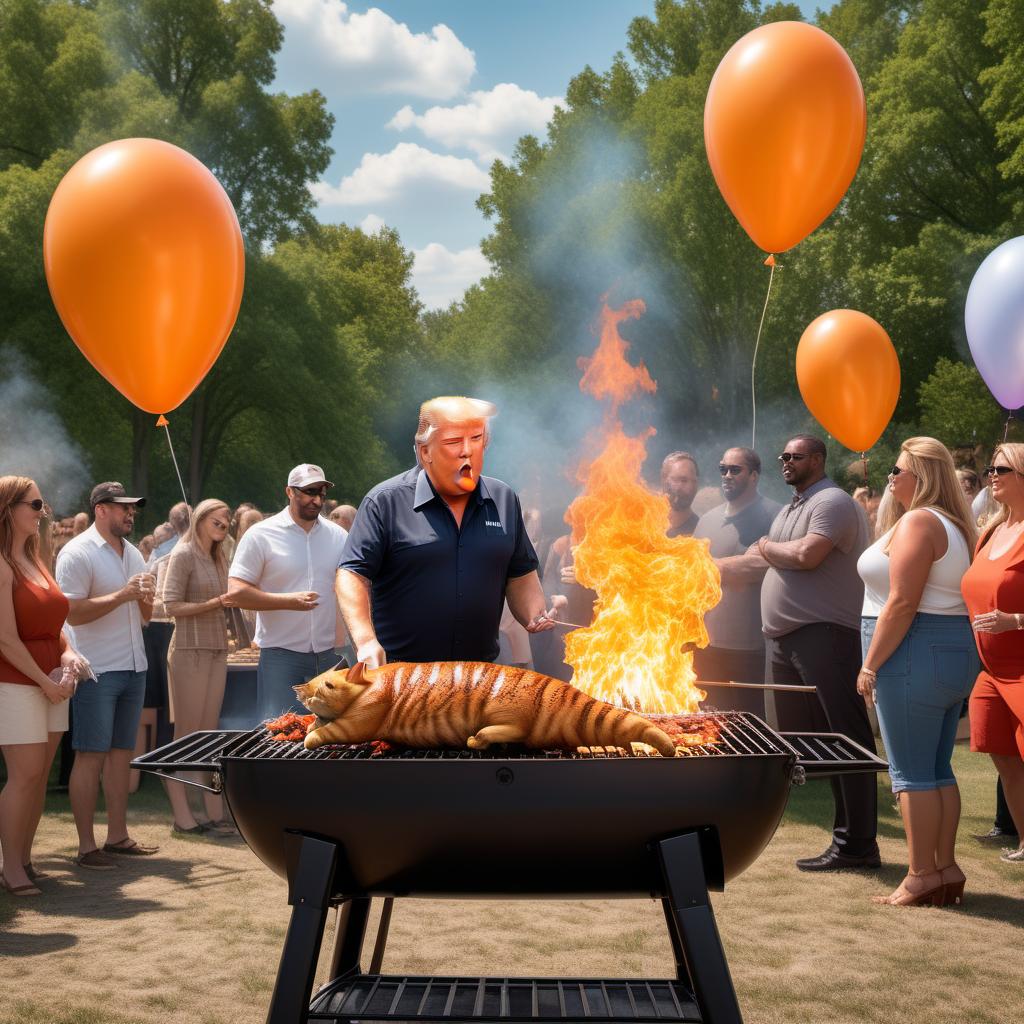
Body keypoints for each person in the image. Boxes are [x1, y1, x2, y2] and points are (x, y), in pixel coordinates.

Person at [741, 434, 877, 871]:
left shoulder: (832, 502)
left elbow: (805, 555)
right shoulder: (792, 507)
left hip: (826, 637)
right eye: (783, 456)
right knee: (815, 742)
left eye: (795, 456)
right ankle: (845, 840)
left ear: (817, 460)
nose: (786, 462)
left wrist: (764, 547)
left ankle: (857, 845)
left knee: (846, 738)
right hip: (787, 640)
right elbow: (764, 560)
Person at [337, 396, 555, 668]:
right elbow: (352, 574)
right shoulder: (385, 502)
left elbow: (520, 573)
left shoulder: (504, 499)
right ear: (424, 450)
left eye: (476, 438)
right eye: (453, 442)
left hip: (477, 677)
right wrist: (365, 640)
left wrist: (534, 614)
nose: (467, 451)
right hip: (403, 678)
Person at [856, 438, 978, 906]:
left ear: (921, 477)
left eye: (899, 470)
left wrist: (870, 665)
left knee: (910, 774)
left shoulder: (920, 521)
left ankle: (921, 873)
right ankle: (944, 868)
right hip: (946, 650)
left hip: (913, 651)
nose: (890, 477)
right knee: (935, 768)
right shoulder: (952, 523)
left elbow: (902, 602)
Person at [56, 482, 158, 869]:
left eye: (132, 509)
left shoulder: (132, 552)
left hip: (134, 666)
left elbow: (144, 617)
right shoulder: (77, 553)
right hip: (96, 668)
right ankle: (86, 847)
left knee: (120, 756)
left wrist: (146, 598)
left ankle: (118, 836)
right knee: (90, 756)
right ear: (101, 509)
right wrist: (123, 595)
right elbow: (70, 614)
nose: (130, 514)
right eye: (122, 508)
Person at [0, 476, 88, 895]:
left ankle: (25, 859)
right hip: (15, 681)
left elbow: (55, 627)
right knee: (26, 774)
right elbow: (4, 638)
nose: (43, 511)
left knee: (37, 777)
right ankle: (10, 866)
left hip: (53, 679)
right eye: (35, 505)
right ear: (9, 509)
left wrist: (69, 655)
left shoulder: (37, 558)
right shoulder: (1, 564)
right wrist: (44, 682)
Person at [228, 466, 348, 720]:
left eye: (322, 492)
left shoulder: (338, 536)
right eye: (309, 492)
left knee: (331, 739)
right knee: (277, 737)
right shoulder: (260, 534)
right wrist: (287, 601)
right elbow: (236, 593)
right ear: (289, 492)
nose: (317, 499)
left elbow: (350, 588)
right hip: (280, 657)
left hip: (329, 657)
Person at [961, 443, 1024, 864]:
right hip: (990, 669)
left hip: (1021, 665)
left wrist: (1015, 621)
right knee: (1002, 754)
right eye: (989, 469)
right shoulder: (991, 530)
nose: (991, 475)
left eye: (1001, 468)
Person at [161, 499, 236, 836]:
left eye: (227, 522)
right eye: (217, 521)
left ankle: (213, 810)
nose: (223, 526)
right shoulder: (183, 554)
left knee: (209, 732)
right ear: (201, 519)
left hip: (217, 649)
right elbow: (171, 605)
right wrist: (215, 603)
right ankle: (182, 814)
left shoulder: (218, 556)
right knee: (187, 732)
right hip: (189, 649)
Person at [694, 448, 781, 710]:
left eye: (735, 469)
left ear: (754, 476)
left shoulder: (774, 515)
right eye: (723, 469)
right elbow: (689, 575)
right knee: (707, 726)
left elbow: (761, 565)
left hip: (751, 648)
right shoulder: (707, 521)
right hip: (705, 645)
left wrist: (709, 567)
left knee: (750, 724)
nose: (727, 475)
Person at [661, 452, 700, 537]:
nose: (678, 487)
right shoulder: (644, 525)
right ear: (664, 479)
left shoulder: (701, 533)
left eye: (694, 481)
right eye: (675, 480)